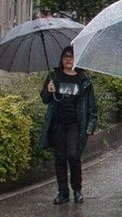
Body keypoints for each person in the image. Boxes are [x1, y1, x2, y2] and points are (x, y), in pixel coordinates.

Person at [40, 46, 96, 205]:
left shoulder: (84, 80)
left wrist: (91, 124)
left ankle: (77, 190)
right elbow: (45, 99)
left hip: (75, 124)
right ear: (61, 59)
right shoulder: (54, 76)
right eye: (65, 57)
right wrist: (48, 90)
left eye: (71, 57)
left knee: (73, 155)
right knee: (60, 158)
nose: (68, 60)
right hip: (58, 124)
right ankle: (62, 192)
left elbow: (91, 106)